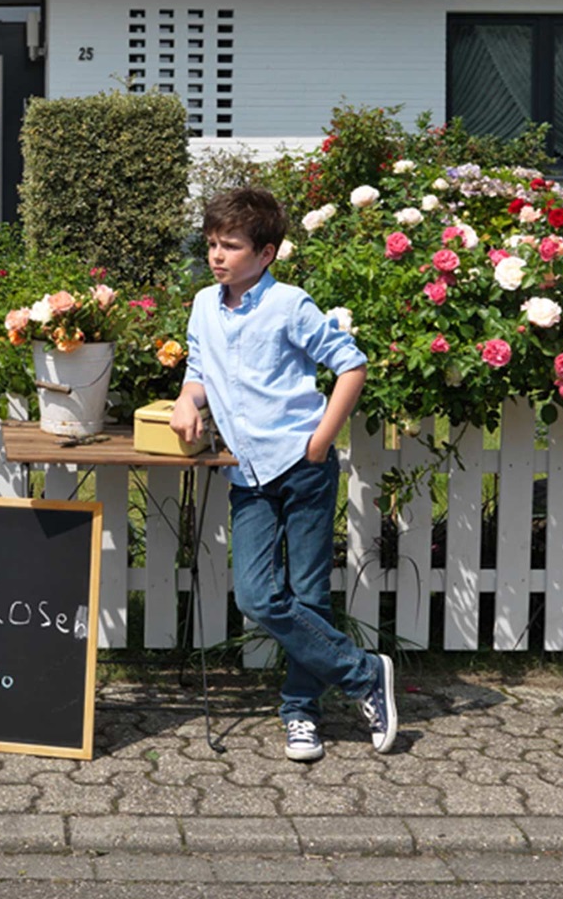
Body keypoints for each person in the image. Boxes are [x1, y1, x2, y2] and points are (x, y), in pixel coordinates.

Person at [170, 186, 396, 762]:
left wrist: (321, 440)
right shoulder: (203, 304)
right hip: (246, 471)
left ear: (266, 253)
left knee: (310, 596)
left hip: (302, 465)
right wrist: (186, 401)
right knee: (258, 595)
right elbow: (199, 366)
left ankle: (301, 713)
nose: (217, 255)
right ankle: (365, 673)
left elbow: (352, 365)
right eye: (212, 244)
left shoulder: (289, 305)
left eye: (232, 246)